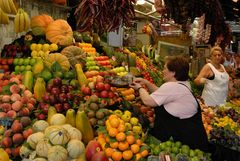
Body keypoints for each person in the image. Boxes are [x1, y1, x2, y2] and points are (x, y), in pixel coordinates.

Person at [130, 56, 209, 152]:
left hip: (184, 145)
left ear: (173, 72)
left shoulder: (172, 87)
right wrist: (146, 83)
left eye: (165, 68)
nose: (163, 71)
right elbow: (162, 93)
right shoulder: (183, 84)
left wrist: (139, 88)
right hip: (193, 139)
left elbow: (148, 101)